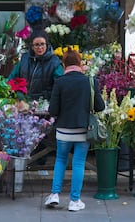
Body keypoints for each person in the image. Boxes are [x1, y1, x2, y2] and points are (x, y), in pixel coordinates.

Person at [45, 47, 105, 212]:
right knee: (78, 163)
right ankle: (74, 200)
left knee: (60, 160)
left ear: (64, 64)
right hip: (83, 130)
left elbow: (53, 110)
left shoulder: (60, 82)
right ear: (79, 63)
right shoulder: (90, 81)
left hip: (63, 130)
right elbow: (100, 106)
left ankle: (55, 194)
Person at [8, 29, 63, 101]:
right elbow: (12, 78)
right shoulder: (24, 59)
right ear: (32, 46)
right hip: (24, 102)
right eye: (36, 45)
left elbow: (60, 86)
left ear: (47, 45)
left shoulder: (54, 63)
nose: (40, 48)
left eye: (42, 44)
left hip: (45, 104)